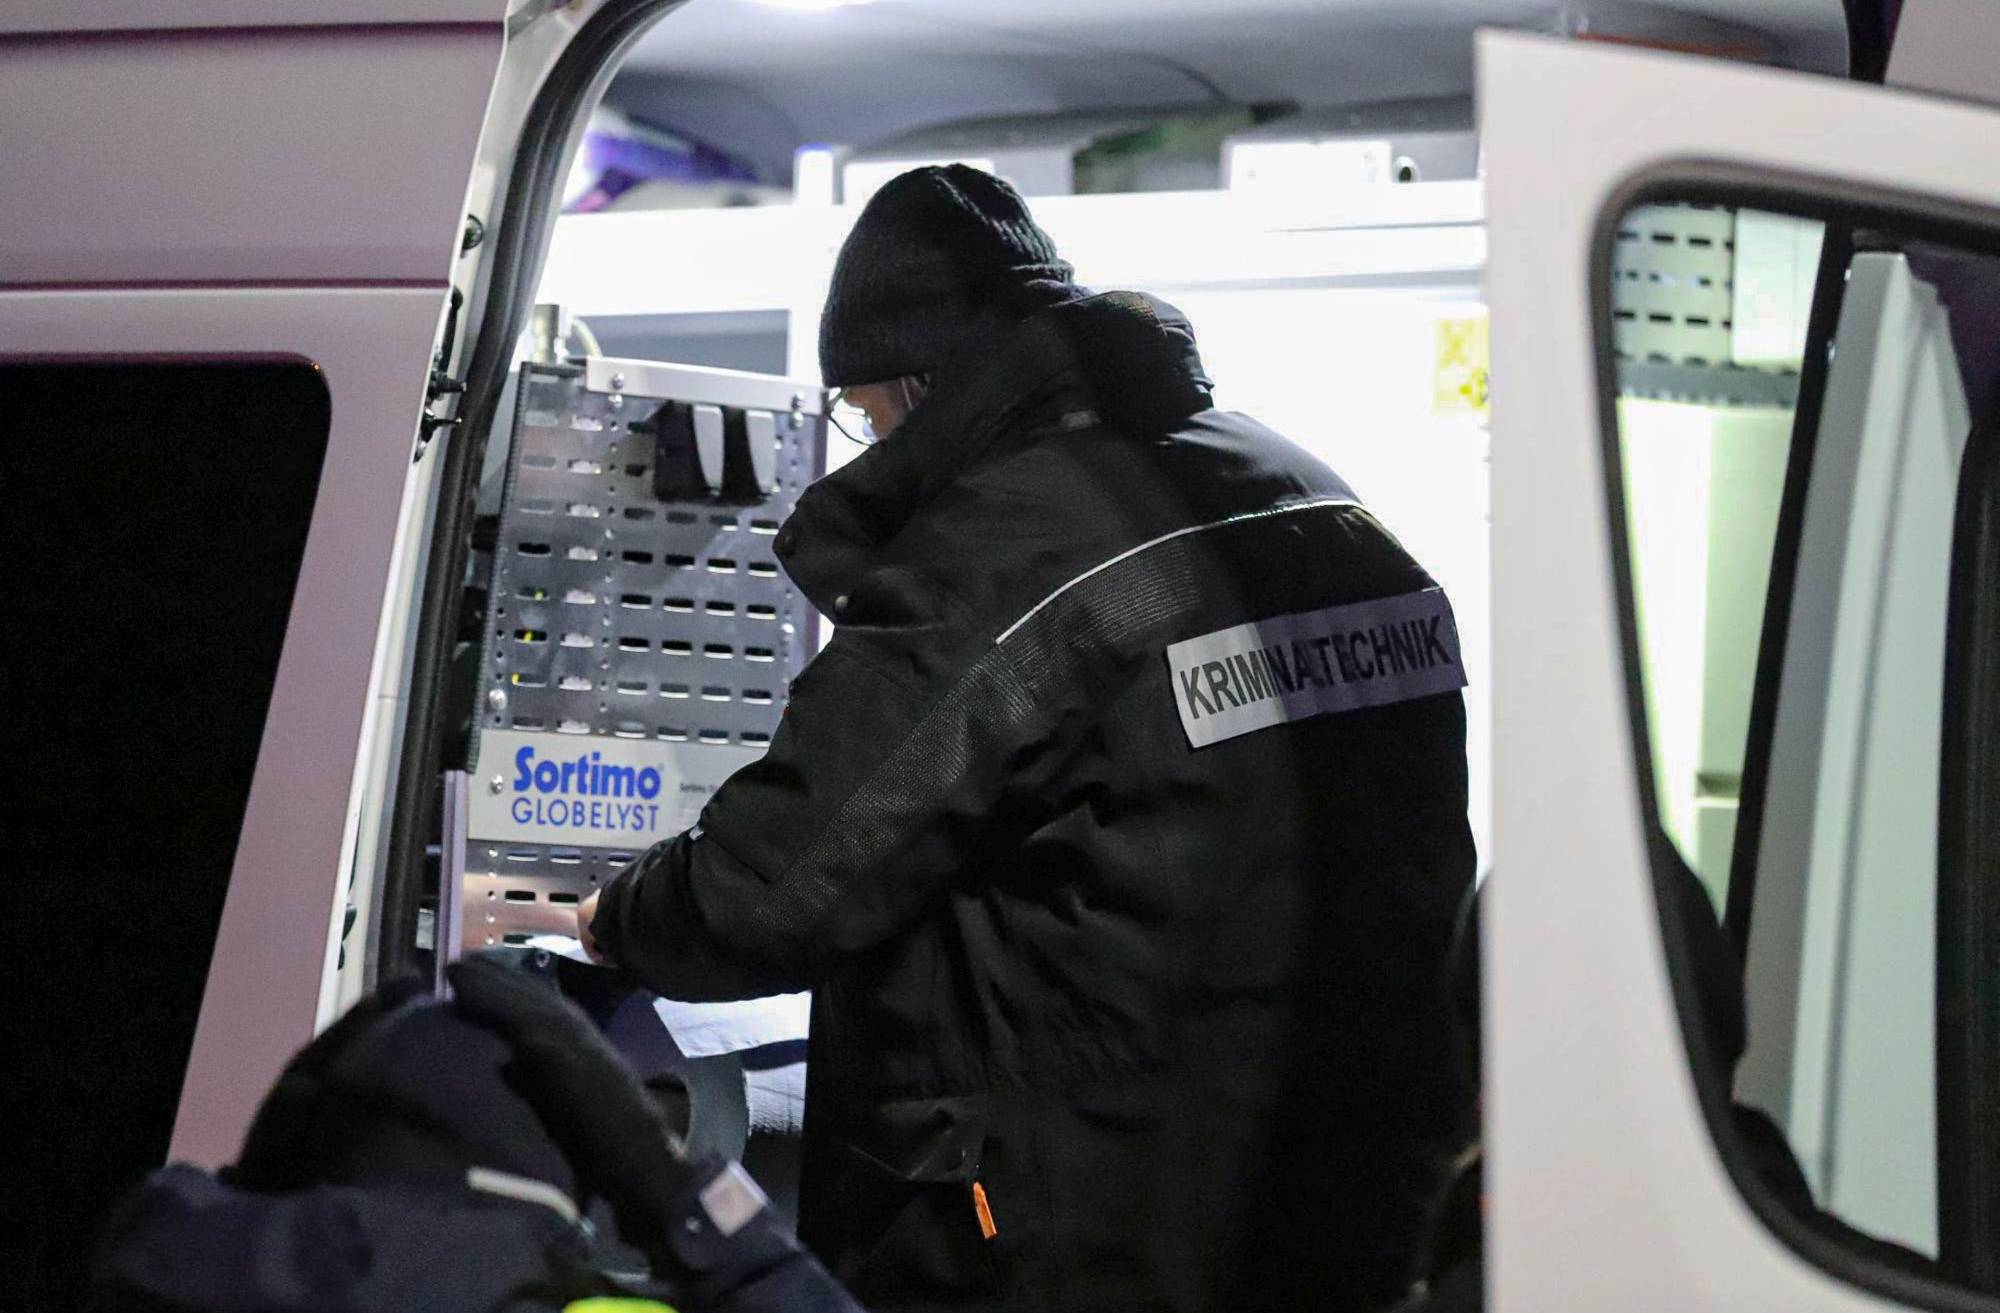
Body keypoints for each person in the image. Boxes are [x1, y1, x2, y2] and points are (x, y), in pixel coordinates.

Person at [578, 163, 1476, 1312]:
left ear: (918, 386)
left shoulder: (1011, 546)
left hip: (1075, 1228)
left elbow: (774, 886)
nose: (866, 442)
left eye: (863, 412)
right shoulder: (1317, 500)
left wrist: (616, 916)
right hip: (1334, 1186)